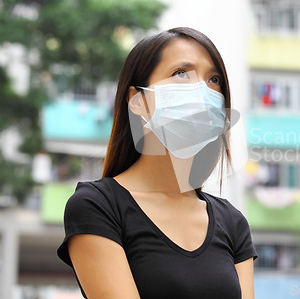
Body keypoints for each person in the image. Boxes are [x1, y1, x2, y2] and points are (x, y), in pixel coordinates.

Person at [57, 27, 258, 299]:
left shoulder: (232, 222)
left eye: (213, 79)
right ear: (137, 101)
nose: (202, 89)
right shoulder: (99, 206)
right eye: (181, 73)